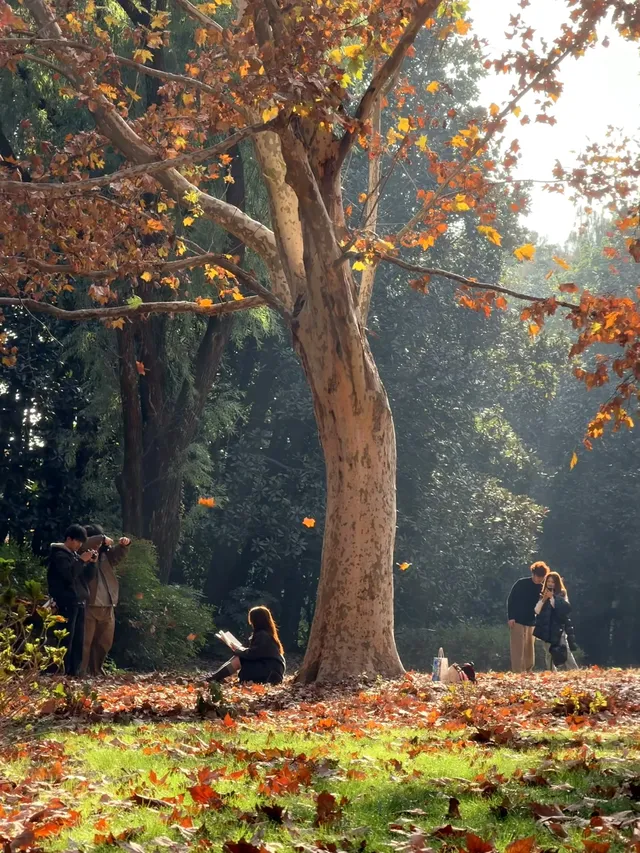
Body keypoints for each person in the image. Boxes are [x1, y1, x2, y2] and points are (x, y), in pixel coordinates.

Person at [47, 524, 98, 675]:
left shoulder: (74, 556)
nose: (79, 545)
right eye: (78, 542)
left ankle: (74, 672)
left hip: (79, 601)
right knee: (65, 638)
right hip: (66, 602)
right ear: (69, 539)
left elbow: (86, 579)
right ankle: (60, 671)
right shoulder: (59, 555)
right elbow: (68, 576)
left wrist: (91, 564)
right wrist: (81, 561)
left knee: (78, 640)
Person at [81, 524, 131, 676]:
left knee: (105, 642)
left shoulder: (105, 555)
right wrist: (100, 538)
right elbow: (85, 544)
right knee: (85, 642)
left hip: (108, 603)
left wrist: (124, 545)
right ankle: (81, 671)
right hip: (89, 603)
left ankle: (96, 670)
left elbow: (117, 556)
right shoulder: (82, 552)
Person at [210, 605, 286, 684]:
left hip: (270, 672)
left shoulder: (263, 635)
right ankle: (216, 676)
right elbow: (255, 652)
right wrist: (239, 650)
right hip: (270, 668)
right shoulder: (266, 634)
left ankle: (214, 677)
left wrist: (238, 649)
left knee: (239, 659)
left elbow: (253, 654)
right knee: (238, 656)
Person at [507, 561, 549, 673]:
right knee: (517, 647)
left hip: (532, 621)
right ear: (533, 574)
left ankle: (528, 670)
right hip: (517, 620)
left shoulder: (542, 588)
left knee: (529, 647)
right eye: (538, 576)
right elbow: (511, 600)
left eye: (542, 577)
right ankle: (517, 671)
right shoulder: (521, 584)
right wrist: (511, 617)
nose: (539, 579)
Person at [533, 572, 578, 670]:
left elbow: (564, 609)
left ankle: (575, 671)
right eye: (548, 581)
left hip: (558, 630)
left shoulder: (561, 594)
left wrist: (552, 597)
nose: (550, 584)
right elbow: (536, 610)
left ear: (556, 583)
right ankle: (551, 673)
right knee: (549, 654)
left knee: (565, 652)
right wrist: (544, 599)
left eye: (552, 582)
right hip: (545, 629)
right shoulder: (542, 594)